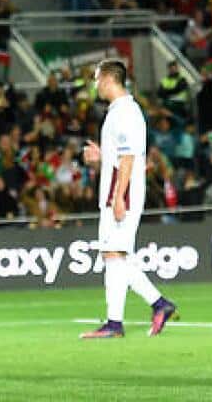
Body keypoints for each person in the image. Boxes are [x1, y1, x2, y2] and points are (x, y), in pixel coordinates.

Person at [79, 59, 179, 339]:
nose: (95, 85)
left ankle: (121, 320)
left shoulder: (125, 112)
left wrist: (120, 197)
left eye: (97, 79)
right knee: (115, 255)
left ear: (108, 79)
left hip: (122, 193)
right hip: (117, 191)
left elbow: (128, 158)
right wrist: (101, 158)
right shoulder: (120, 111)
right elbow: (120, 156)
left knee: (114, 254)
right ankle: (151, 307)